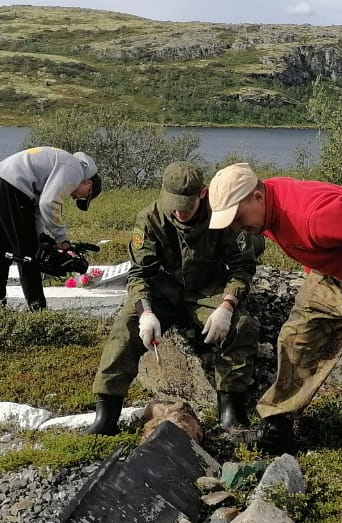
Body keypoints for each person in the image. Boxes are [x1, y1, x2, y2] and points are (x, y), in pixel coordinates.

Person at [206, 162, 342, 500]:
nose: (236, 226)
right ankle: (277, 426)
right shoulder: (266, 209)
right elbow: (300, 243)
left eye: (237, 216)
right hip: (328, 278)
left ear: (257, 197)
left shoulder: (315, 216)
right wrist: (315, 268)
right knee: (295, 340)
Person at [86, 162, 259, 435]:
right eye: (174, 205)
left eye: (186, 206)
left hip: (208, 290)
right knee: (125, 328)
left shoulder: (222, 215)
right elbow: (140, 272)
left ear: (202, 194)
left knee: (241, 326)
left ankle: (231, 411)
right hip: (163, 291)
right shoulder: (150, 219)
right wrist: (145, 312)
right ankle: (106, 415)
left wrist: (227, 305)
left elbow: (242, 267)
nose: (179, 212)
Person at [0, 147, 101, 310]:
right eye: (83, 196)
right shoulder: (76, 169)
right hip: (12, 189)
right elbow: (49, 203)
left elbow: (37, 208)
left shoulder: (62, 163)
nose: (74, 197)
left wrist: (40, 237)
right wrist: (61, 239)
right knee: (28, 259)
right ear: (89, 183)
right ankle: (40, 314)